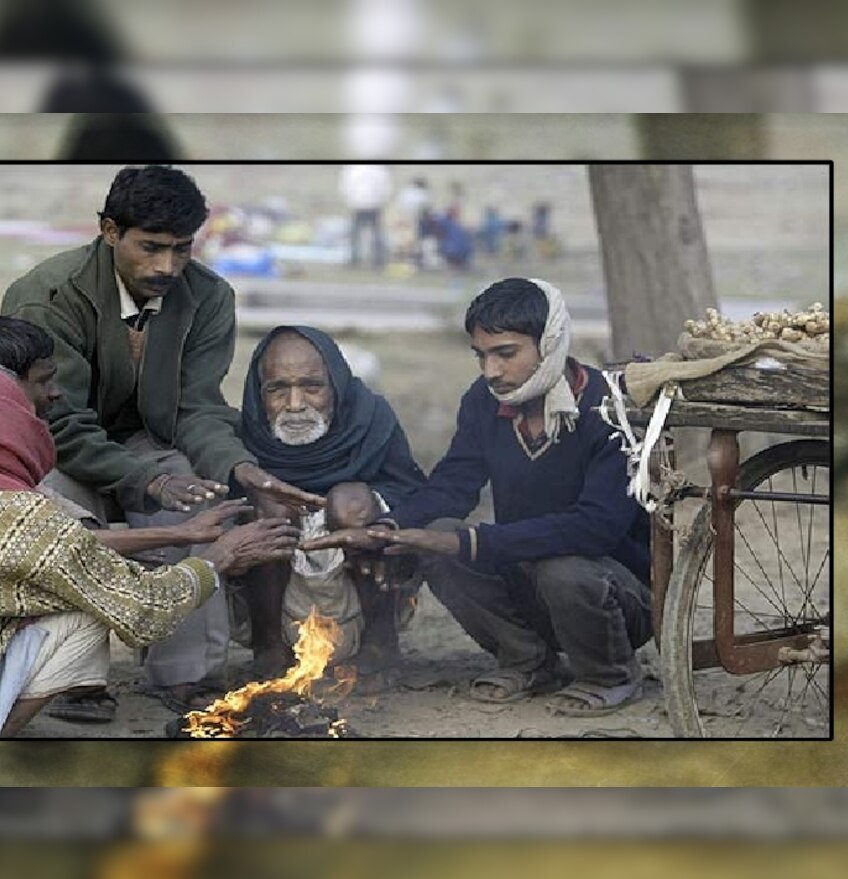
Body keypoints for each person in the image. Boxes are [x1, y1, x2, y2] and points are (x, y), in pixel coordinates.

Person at [0, 349, 300, 738]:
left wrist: (184, 534)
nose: (52, 397)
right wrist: (220, 557)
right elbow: (143, 609)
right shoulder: (20, 518)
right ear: (10, 425)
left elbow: (64, 551)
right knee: (86, 612)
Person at [0, 164, 322, 712]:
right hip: (53, 445)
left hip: (147, 441)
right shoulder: (47, 296)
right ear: (108, 232)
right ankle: (72, 680)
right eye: (150, 247)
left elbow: (196, 407)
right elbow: (58, 420)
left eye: (181, 249)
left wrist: (239, 469)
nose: (166, 266)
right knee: (63, 524)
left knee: (202, 506)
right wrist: (148, 481)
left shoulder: (209, 296)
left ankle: (185, 675)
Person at [305, 278, 652, 716]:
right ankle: (528, 661)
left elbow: (595, 528)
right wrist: (388, 528)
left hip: (615, 596)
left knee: (560, 568)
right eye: (482, 356)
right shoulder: (484, 402)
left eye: (505, 353)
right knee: (435, 535)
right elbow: (453, 484)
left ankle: (612, 674)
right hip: (528, 581)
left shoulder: (611, 408)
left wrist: (472, 542)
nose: (491, 371)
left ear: (550, 343)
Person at [236, 326, 426, 681]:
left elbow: (413, 493)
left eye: (312, 387)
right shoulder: (246, 433)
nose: (295, 404)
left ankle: (379, 642)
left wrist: (376, 527)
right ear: (258, 392)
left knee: (350, 503)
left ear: (336, 384)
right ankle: (269, 648)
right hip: (276, 593)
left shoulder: (371, 419)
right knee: (269, 504)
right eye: (277, 389)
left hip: (359, 585)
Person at [338, 164, 392, 270]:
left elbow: (346, 188)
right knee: (371, 234)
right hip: (369, 205)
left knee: (360, 234)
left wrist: (351, 201)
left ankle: (358, 259)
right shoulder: (379, 170)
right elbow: (385, 188)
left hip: (362, 205)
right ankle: (374, 260)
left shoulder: (352, 169)